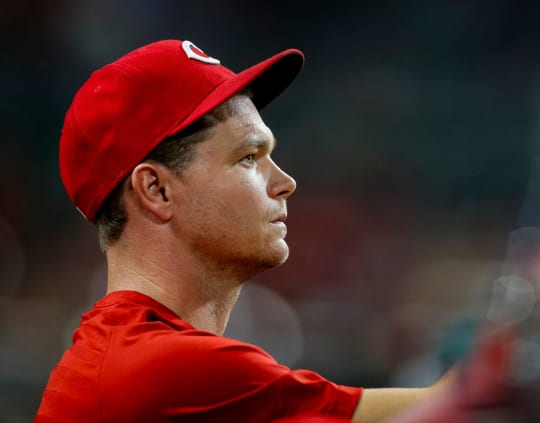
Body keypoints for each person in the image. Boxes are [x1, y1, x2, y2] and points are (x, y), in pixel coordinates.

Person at [35, 39, 452, 423]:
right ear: (156, 190)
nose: (286, 182)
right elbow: (458, 411)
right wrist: (498, 364)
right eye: (248, 157)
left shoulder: (128, 354)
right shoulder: (162, 368)